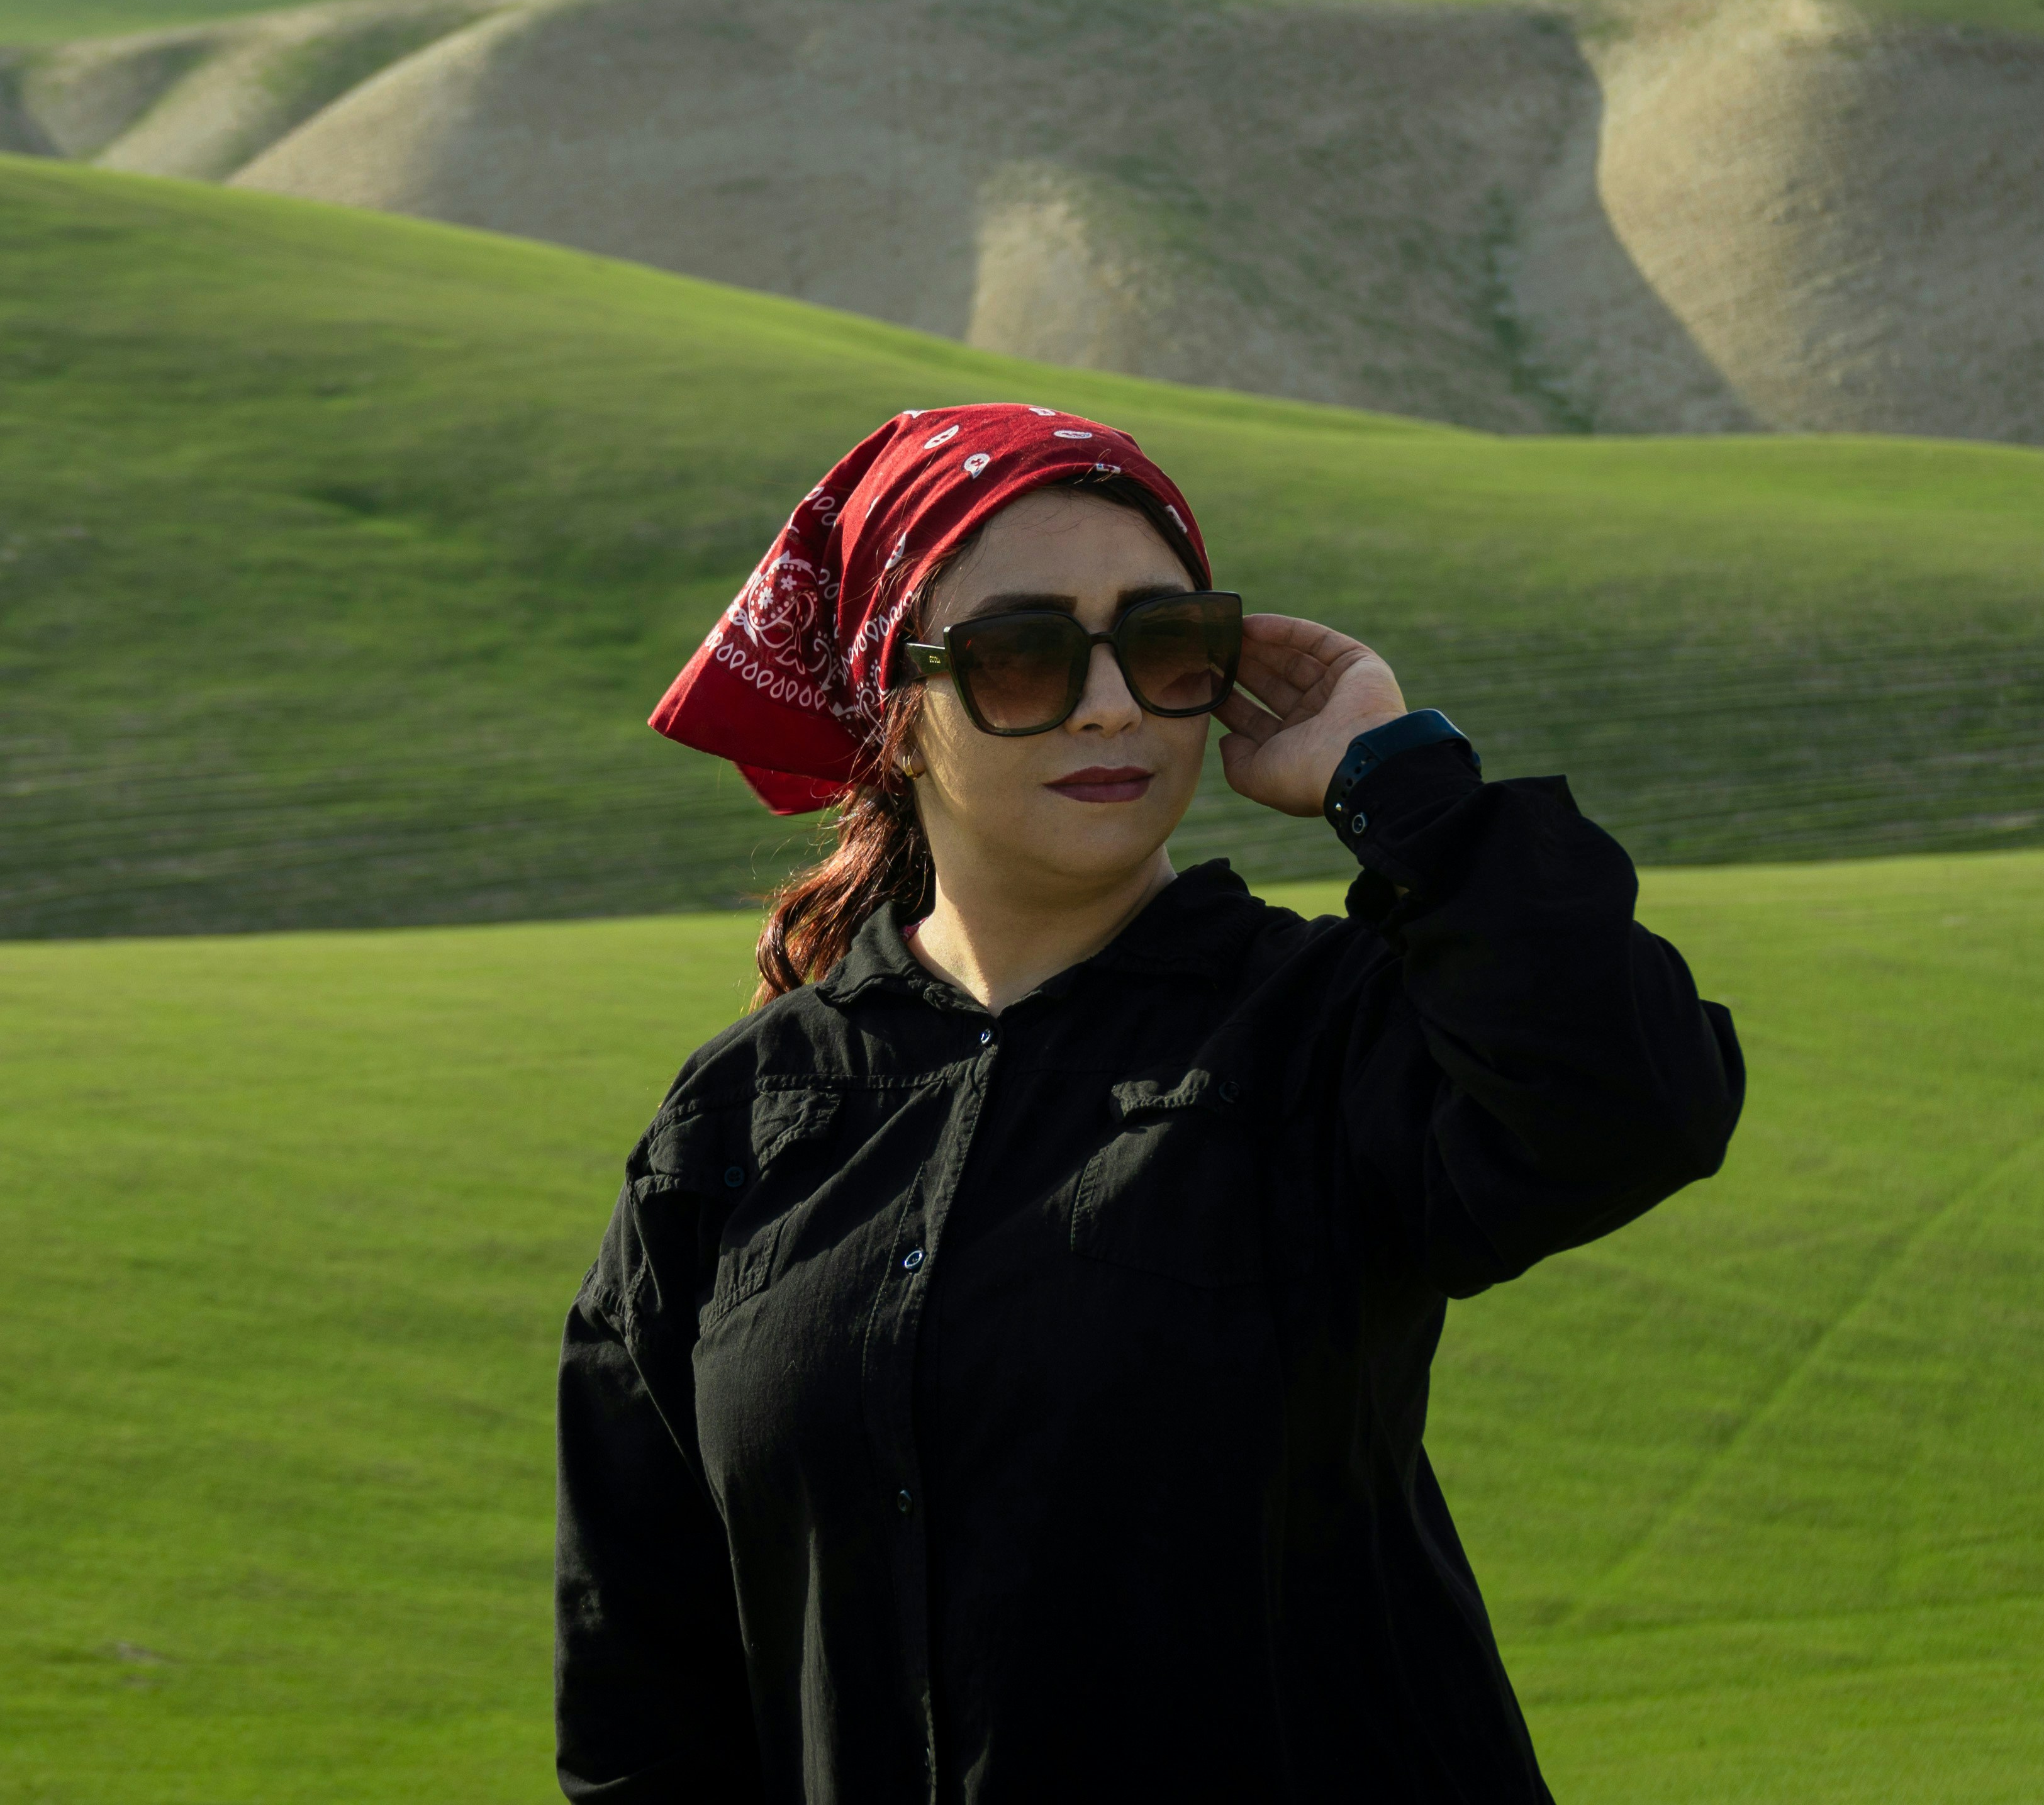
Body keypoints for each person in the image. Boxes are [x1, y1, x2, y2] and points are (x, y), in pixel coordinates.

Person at [554, 403, 1746, 1803]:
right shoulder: (738, 1123)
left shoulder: (1327, 1028)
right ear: (900, 705)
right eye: (1023, 653)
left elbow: (1639, 1100)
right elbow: (642, 1679)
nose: (1111, 700)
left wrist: (1399, 782)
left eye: (1168, 642)